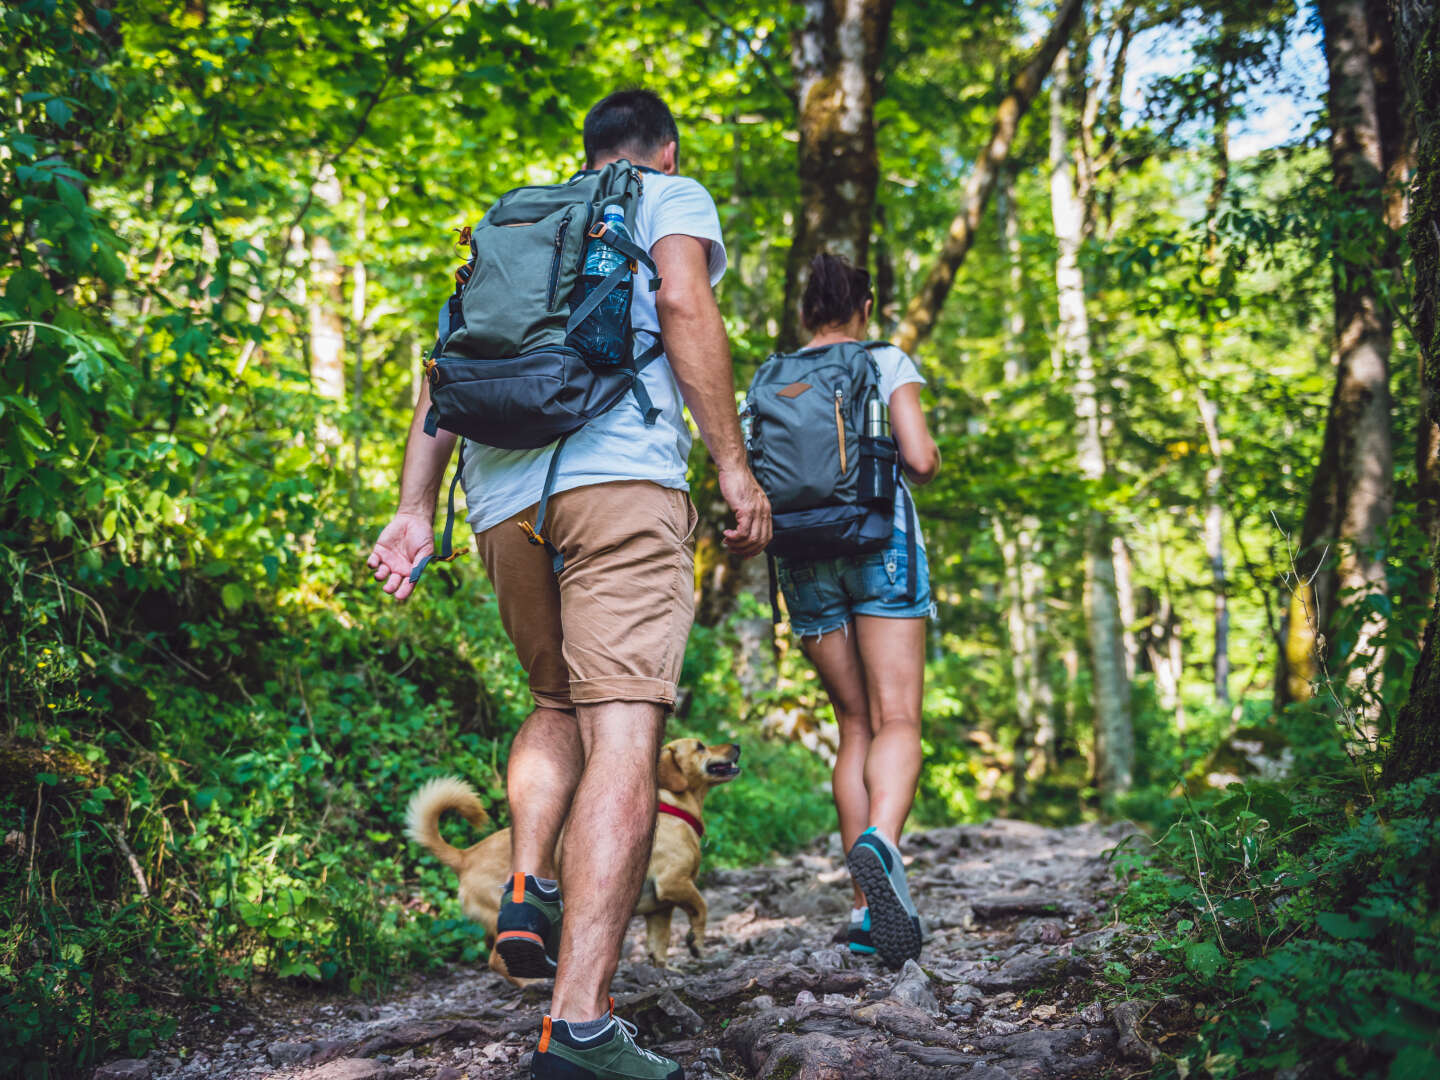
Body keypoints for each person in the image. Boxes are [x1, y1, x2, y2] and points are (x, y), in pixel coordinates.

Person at [367, 89, 771, 1080]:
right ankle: (580, 1027)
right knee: (626, 727)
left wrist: (414, 510)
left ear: (581, 152)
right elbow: (683, 302)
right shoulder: (667, 194)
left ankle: (530, 881)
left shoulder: (513, 218)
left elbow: (443, 372)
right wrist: (731, 462)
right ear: (661, 149)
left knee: (555, 701)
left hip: (501, 499)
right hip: (619, 482)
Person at [775, 253, 940, 969]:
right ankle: (882, 842)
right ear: (864, 307)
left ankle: (865, 907)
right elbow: (922, 458)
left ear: (806, 310)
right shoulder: (884, 359)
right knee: (898, 718)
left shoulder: (773, 374)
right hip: (881, 542)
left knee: (853, 725)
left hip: (802, 555)